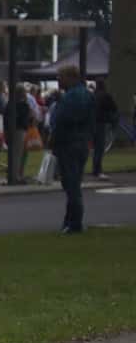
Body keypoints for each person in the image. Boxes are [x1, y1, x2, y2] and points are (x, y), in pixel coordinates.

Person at [49, 64, 94, 234]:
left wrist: (53, 139)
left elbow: (61, 120)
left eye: (60, 77)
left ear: (71, 77)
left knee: (71, 185)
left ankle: (74, 223)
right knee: (74, 182)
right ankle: (69, 221)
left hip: (68, 144)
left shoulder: (70, 98)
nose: (58, 80)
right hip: (81, 143)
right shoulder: (87, 95)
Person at [5, 83, 33, 184]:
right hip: (20, 130)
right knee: (18, 154)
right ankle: (16, 175)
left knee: (17, 153)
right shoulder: (23, 105)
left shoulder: (10, 104)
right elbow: (28, 118)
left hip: (14, 130)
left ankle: (16, 174)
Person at [93, 83, 120, 179]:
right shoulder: (105, 96)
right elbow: (114, 107)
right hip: (101, 123)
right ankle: (98, 170)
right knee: (99, 148)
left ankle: (95, 170)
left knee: (95, 148)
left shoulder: (93, 96)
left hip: (92, 123)